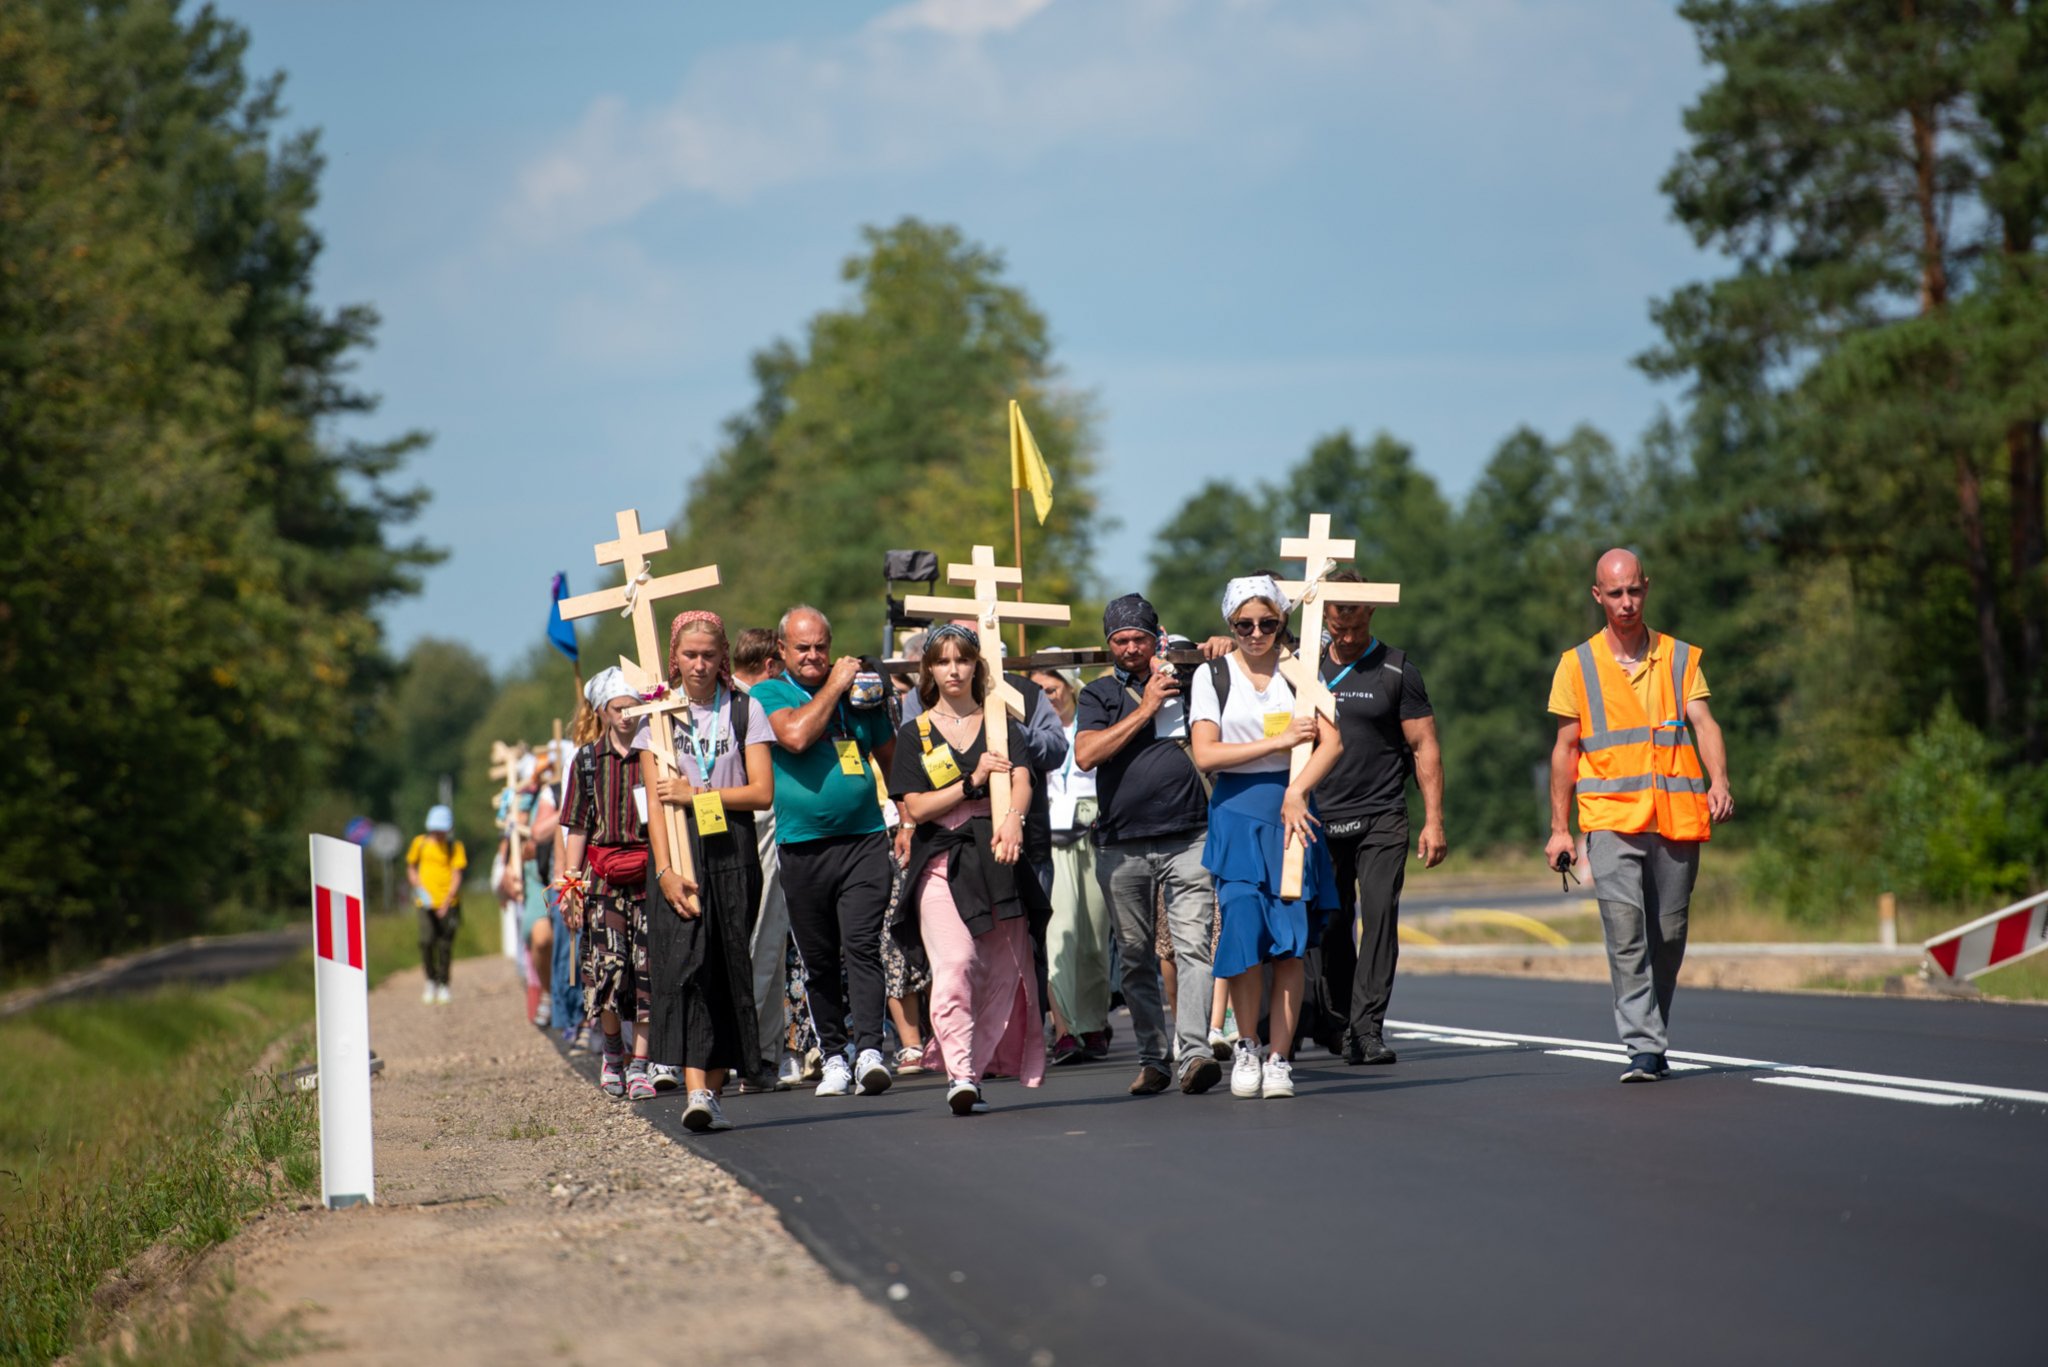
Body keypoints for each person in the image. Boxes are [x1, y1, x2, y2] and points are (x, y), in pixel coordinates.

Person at [1546, 549, 1733, 1083]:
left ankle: (1655, 1030)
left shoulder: (1678, 657)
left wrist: (1718, 780)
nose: (1626, 603)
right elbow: (1565, 749)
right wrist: (1561, 829)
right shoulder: (1576, 665)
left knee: (1668, 936)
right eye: (1615, 593)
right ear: (1597, 596)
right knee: (1625, 931)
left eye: (1634, 591)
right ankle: (1644, 1048)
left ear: (1646, 588)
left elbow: (1706, 723)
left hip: (1676, 816)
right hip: (1608, 819)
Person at [1188, 575, 1343, 1100]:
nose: (1256, 634)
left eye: (1268, 623)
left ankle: (1279, 1057)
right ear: (1230, 624)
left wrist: (1298, 788)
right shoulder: (1213, 675)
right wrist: (1276, 741)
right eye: (1244, 624)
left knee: (1290, 943)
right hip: (1234, 814)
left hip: (1291, 813)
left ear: (1282, 622)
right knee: (1243, 929)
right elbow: (1206, 754)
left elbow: (1332, 742)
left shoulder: (1300, 672)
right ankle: (1246, 1044)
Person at [1072, 595, 1224, 1097]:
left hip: (1190, 837)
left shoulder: (1192, 677)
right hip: (1121, 846)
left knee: (1193, 947)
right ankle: (1153, 1058)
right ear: (1109, 644)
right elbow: (1088, 754)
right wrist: (1148, 708)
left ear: (1156, 637)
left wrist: (1221, 650)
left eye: (1139, 638)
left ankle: (1196, 1052)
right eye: (1121, 640)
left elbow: (1247, 667)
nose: (1131, 648)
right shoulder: (1097, 695)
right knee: (1135, 956)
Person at [889, 625, 1044, 1114]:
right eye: (943, 661)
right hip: (940, 863)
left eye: (962, 659)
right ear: (929, 670)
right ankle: (960, 1074)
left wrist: (1015, 820)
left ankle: (975, 1066)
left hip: (998, 858)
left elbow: (1022, 779)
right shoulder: (913, 733)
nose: (953, 669)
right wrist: (971, 781)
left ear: (977, 665)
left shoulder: (1001, 723)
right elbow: (915, 805)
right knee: (955, 965)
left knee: (998, 972)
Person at [754, 606, 901, 1098]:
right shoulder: (769, 693)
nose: (814, 655)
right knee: (818, 958)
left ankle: (871, 1051)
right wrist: (835, 687)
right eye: (803, 648)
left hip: (863, 839)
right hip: (802, 847)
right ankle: (834, 1056)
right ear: (782, 652)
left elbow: (892, 760)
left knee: (861, 945)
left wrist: (910, 816)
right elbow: (794, 737)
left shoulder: (860, 695)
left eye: (821, 645)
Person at [636, 611, 774, 1133]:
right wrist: (666, 871)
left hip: (731, 845)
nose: (698, 665)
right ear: (675, 657)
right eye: (690, 655)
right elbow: (653, 803)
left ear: (722, 659)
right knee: (687, 968)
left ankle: (711, 1089)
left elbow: (762, 792)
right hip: (677, 848)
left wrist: (699, 795)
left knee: (725, 966)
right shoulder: (659, 715)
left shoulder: (745, 709)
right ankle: (695, 1090)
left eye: (708, 656)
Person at [1311, 568, 1446, 1066]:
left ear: (1370, 612)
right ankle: (1344, 1021)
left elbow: (1423, 744)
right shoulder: (1304, 667)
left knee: (1380, 918)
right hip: (1320, 817)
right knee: (1330, 924)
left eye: (1354, 627)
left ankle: (1368, 1029)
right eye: (1336, 627)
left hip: (1382, 813)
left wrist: (1434, 819)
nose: (1345, 638)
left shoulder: (1396, 669)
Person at [559, 667, 653, 1101]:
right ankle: (613, 1051)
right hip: (602, 879)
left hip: (651, 874)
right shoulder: (586, 762)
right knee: (610, 967)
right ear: (602, 711)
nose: (627, 717)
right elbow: (577, 826)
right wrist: (570, 886)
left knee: (648, 968)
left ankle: (642, 1063)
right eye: (618, 709)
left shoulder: (655, 753)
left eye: (633, 707)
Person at [1031, 667, 1113, 1064]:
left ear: (1069, 688)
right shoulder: (1033, 732)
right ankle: (1063, 1028)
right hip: (1051, 842)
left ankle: (1093, 1025)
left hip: (1091, 836)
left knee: (1095, 937)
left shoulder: (1088, 726)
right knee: (1060, 934)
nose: (1047, 696)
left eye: (1052, 688)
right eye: (1038, 690)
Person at [732, 627, 797, 1088]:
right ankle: (746, 1048)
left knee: (770, 939)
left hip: (764, 822)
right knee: (757, 938)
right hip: (752, 824)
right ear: (772, 666)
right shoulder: (747, 703)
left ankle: (766, 1050)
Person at [406, 805, 466, 1004]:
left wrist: (447, 902)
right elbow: (411, 868)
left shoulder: (454, 847)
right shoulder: (419, 843)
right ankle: (430, 979)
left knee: (445, 945)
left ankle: (444, 983)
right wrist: (417, 885)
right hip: (424, 902)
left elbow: (457, 875)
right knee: (426, 940)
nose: (439, 833)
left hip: (448, 903)